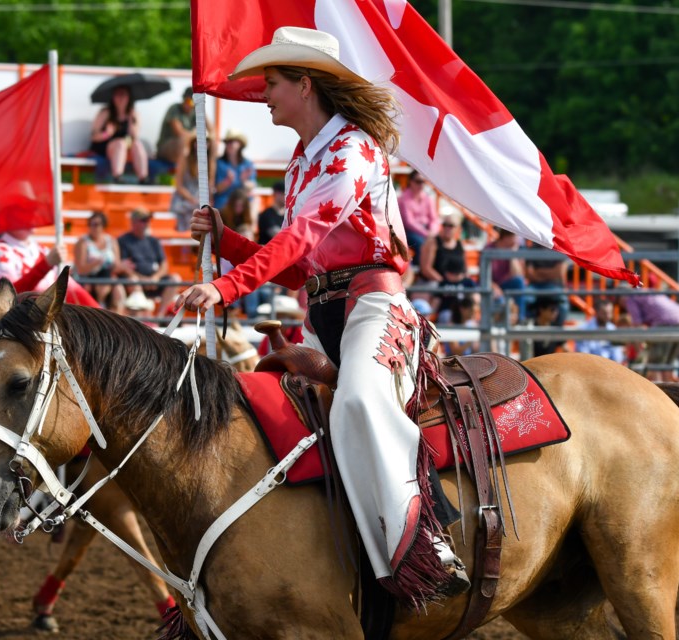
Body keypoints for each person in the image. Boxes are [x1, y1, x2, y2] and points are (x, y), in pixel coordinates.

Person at [175, 27, 468, 602]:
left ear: (304, 85)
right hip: (323, 308)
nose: (264, 94)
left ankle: (428, 541)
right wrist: (228, 240)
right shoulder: (301, 162)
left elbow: (302, 234)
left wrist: (227, 286)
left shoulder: (353, 149)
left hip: (372, 303)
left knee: (358, 397)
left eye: (273, 83)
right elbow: (302, 268)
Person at [0, 228, 98, 306]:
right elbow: (9, 296)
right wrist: (45, 264)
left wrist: (103, 317)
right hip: (20, 326)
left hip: (47, 322)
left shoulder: (41, 249)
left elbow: (71, 289)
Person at [620, 277, 679, 382]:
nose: (620, 306)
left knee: (655, 364)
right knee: (667, 365)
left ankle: (659, 393)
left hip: (665, 323)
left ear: (621, 296)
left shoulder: (631, 298)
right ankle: (672, 394)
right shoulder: (646, 293)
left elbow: (637, 326)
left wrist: (639, 350)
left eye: (617, 301)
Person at [117, 208, 180, 311]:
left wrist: (155, 278)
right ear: (133, 222)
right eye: (143, 220)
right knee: (132, 280)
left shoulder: (153, 241)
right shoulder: (123, 241)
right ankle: (139, 320)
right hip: (134, 282)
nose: (147, 223)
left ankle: (160, 317)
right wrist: (142, 279)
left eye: (147, 220)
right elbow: (124, 267)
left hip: (154, 281)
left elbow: (164, 264)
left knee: (175, 279)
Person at [418, 212, 474, 320]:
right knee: (435, 290)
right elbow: (426, 268)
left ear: (458, 228)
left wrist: (457, 282)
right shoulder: (433, 242)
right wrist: (444, 282)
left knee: (470, 292)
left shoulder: (459, 245)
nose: (447, 228)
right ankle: (426, 323)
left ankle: (468, 320)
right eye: (445, 225)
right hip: (433, 281)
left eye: (451, 225)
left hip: (453, 282)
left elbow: (464, 269)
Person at [89, 85, 149, 184]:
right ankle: (117, 176)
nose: (120, 98)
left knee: (137, 144)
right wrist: (106, 134)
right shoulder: (106, 113)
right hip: (104, 147)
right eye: (118, 94)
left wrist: (132, 122)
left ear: (129, 97)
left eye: (123, 94)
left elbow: (134, 137)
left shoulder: (133, 114)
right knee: (120, 143)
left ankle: (143, 178)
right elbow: (93, 137)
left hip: (125, 148)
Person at [74, 211, 126, 313]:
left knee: (118, 290)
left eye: (96, 224)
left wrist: (119, 266)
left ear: (103, 225)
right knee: (100, 286)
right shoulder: (83, 242)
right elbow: (81, 268)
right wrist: (97, 262)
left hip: (107, 275)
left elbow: (117, 265)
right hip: (89, 277)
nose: (93, 227)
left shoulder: (111, 241)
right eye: (91, 224)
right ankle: (99, 311)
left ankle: (118, 319)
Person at [169, 136, 215, 231]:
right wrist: (191, 199)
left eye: (206, 142)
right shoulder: (185, 159)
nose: (201, 144)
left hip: (199, 198)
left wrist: (207, 200)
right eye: (197, 141)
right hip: (184, 197)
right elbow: (179, 185)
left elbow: (210, 186)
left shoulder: (210, 162)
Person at [397, 170, 440, 264]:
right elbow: (409, 223)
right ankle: (424, 269)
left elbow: (434, 219)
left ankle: (429, 269)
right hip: (410, 232)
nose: (421, 185)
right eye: (418, 181)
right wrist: (428, 234)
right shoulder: (404, 199)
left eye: (423, 182)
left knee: (439, 243)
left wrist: (432, 232)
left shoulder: (427, 198)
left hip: (425, 231)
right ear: (411, 182)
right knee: (423, 244)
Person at [214, 129, 256, 211]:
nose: (229, 144)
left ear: (240, 144)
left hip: (242, 205)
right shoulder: (219, 163)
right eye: (227, 142)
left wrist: (243, 181)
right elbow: (217, 189)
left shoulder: (248, 163)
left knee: (254, 201)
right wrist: (228, 181)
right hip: (224, 205)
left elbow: (251, 187)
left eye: (232, 141)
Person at [574, 297, 624, 364]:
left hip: (610, 368)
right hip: (590, 368)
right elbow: (584, 356)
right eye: (604, 313)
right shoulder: (584, 329)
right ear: (596, 312)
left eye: (610, 312)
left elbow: (617, 356)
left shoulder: (613, 329)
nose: (608, 316)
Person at [524, 251, 569, 325]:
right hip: (535, 285)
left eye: (554, 309)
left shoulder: (557, 247)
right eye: (552, 310)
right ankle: (528, 327)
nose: (555, 313)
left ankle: (558, 333)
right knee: (526, 298)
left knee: (563, 301)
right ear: (541, 310)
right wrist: (550, 273)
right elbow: (530, 273)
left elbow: (558, 272)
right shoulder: (534, 248)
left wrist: (539, 272)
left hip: (553, 285)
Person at [257, 181, 286, 245]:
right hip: (267, 251)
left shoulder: (288, 215)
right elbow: (278, 236)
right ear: (276, 194)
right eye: (285, 193)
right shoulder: (266, 215)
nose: (287, 196)